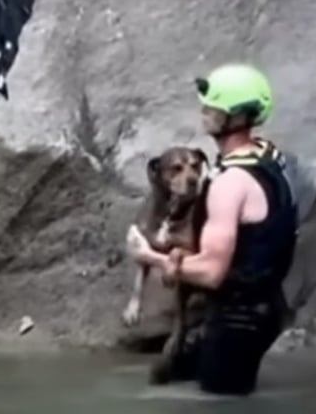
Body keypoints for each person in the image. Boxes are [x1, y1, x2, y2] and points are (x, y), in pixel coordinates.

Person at [128, 62, 299, 396]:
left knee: (219, 411)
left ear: (235, 118)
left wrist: (147, 255)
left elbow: (210, 273)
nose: (204, 112)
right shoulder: (267, 156)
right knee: (170, 375)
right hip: (265, 306)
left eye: (213, 107)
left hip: (241, 318)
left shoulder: (230, 183)